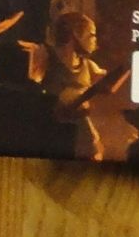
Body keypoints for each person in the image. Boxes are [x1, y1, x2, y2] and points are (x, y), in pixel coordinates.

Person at [39, 11, 106, 160]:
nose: (95, 41)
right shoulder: (46, 58)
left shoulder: (89, 67)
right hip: (52, 129)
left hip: (80, 132)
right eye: (91, 35)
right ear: (76, 34)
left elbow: (107, 83)